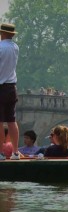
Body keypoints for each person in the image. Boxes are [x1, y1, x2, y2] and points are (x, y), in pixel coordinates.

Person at [0, 23, 20, 160]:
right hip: (12, 87)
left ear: (2, 33)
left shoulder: (0, 47)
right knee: (12, 121)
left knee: (0, 122)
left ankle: (1, 152)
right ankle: (15, 152)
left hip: (1, 86)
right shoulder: (15, 47)